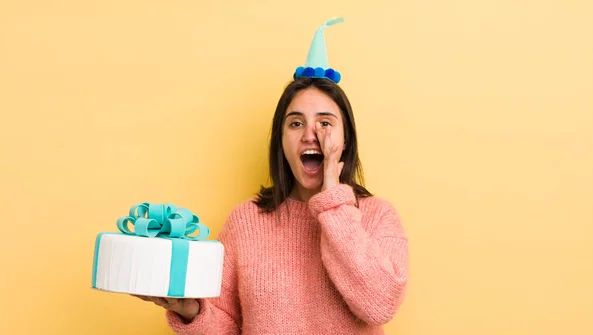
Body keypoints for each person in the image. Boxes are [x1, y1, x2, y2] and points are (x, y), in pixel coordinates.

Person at [133, 17, 409, 334]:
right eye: (295, 123)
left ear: (345, 141)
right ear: (281, 140)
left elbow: (380, 304)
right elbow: (225, 324)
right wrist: (192, 312)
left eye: (325, 123)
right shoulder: (244, 221)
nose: (310, 135)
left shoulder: (377, 216)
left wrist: (333, 204)